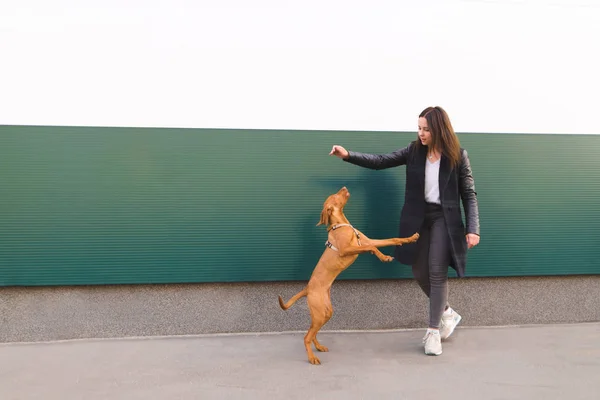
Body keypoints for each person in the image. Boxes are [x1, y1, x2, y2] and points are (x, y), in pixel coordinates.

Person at [329, 106, 480, 356]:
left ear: (439, 130)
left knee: (436, 271)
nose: (421, 133)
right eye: (419, 128)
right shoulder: (413, 151)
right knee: (419, 270)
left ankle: (433, 332)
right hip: (418, 219)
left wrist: (473, 228)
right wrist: (348, 155)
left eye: (426, 129)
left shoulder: (457, 156)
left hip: (444, 219)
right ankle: (446, 313)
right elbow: (381, 161)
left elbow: (469, 195)